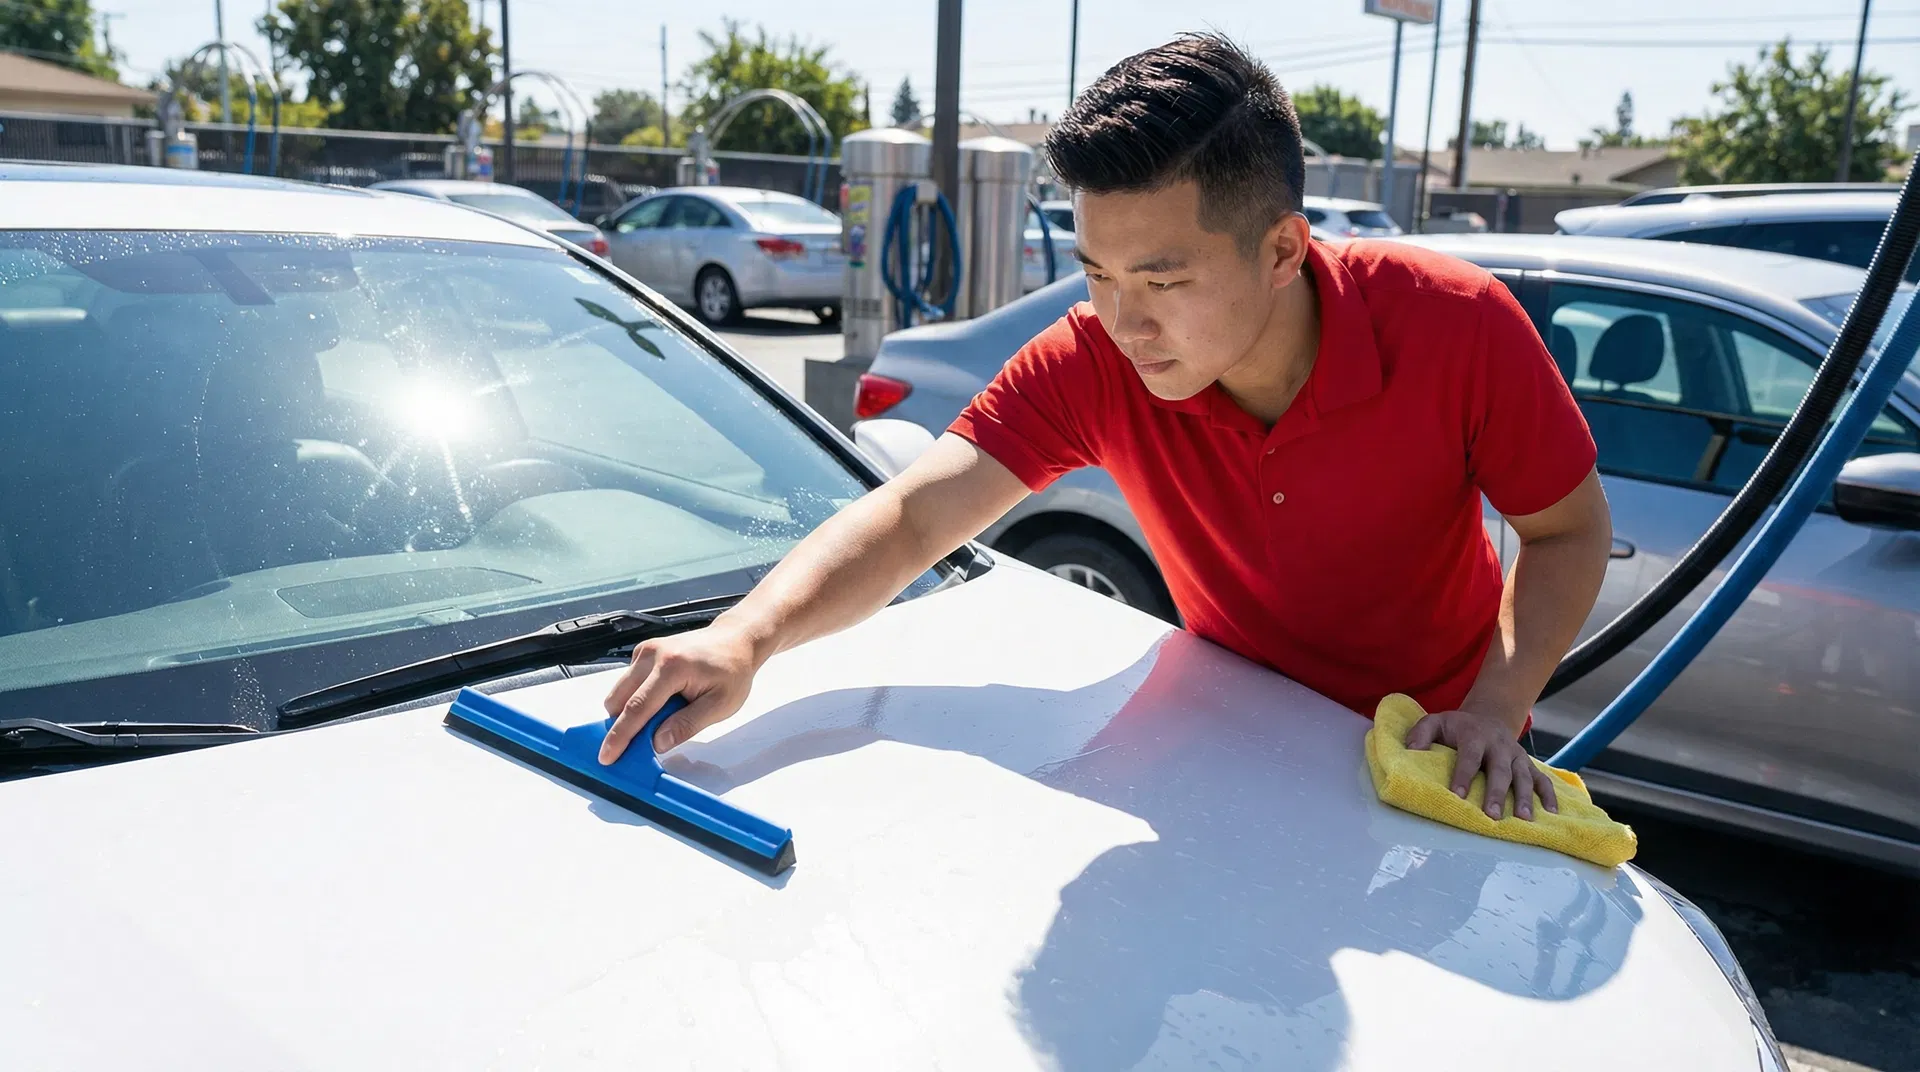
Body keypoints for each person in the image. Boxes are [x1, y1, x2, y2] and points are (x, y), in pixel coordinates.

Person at [600, 33, 1612, 822]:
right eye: (1097, 274)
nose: (1124, 322)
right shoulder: (1095, 357)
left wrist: (1493, 706)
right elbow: (913, 518)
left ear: (1282, 249)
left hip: (1440, 759)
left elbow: (1569, 529)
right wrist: (745, 638)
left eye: (1163, 278)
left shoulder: (1454, 323)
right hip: (1231, 742)